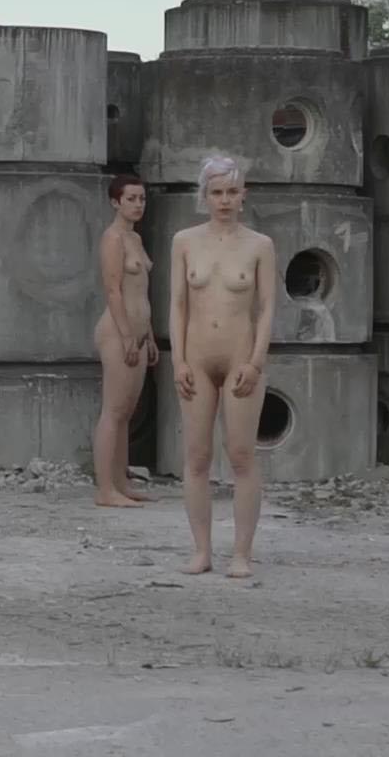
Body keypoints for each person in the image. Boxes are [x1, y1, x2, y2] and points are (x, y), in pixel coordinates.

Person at [167, 155, 274, 578]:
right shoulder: (184, 241)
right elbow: (178, 304)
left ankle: (242, 553)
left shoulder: (259, 245)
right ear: (205, 196)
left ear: (243, 194)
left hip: (239, 358)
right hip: (196, 357)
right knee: (196, 456)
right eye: (216, 193)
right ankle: (201, 550)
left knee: (241, 454)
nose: (224, 200)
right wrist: (177, 359)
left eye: (231, 192)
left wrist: (256, 361)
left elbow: (266, 308)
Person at [93, 173, 155, 508]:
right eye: (131, 199)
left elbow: (141, 290)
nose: (137, 204)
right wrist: (127, 334)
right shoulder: (113, 238)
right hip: (118, 332)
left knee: (127, 411)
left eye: (141, 198)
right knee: (113, 410)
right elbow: (114, 290)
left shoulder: (135, 238)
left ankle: (120, 482)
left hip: (139, 333)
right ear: (115, 202)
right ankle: (105, 489)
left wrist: (149, 335)